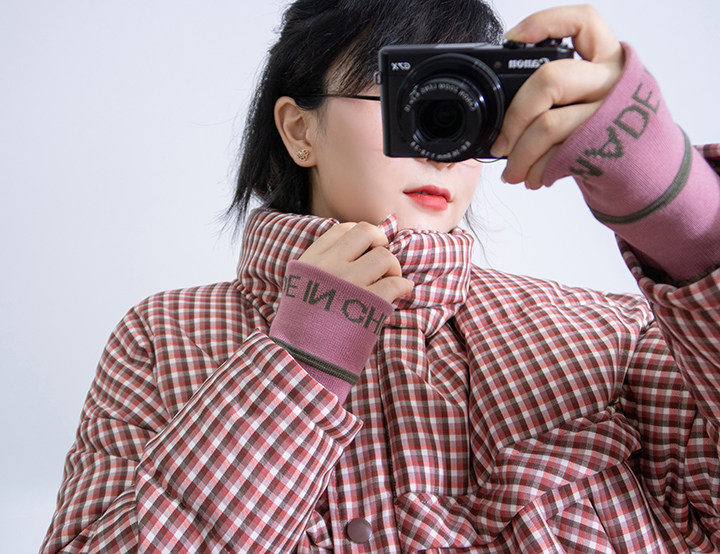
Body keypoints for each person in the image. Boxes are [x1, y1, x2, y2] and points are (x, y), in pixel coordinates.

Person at [41, 0, 720, 552]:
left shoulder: (608, 337)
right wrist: (293, 371)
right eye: (412, 96)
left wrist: (682, 212)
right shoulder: (164, 338)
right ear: (299, 130)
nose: (442, 144)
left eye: (468, 101)